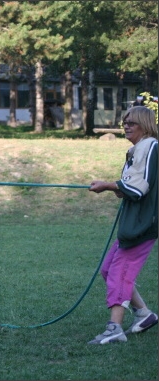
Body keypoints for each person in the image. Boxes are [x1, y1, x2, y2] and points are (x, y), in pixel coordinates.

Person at [88, 105, 158, 344]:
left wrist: (110, 186)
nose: (126, 126)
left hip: (143, 224)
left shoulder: (150, 146)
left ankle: (114, 328)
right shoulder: (138, 148)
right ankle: (144, 315)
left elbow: (140, 187)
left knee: (120, 272)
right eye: (124, 122)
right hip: (133, 220)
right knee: (109, 269)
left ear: (145, 125)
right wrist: (117, 188)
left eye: (132, 122)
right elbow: (131, 186)